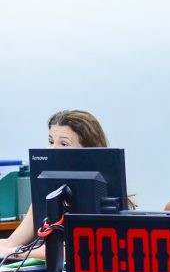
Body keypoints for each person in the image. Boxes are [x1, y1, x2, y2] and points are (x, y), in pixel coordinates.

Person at [0, 110, 109, 259]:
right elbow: (11, 243)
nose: (52, 149)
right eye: (51, 141)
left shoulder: (105, 196)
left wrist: (15, 253)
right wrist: (11, 250)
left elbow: (73, 250)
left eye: (64, 144)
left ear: (88, 151)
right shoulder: (46, 193)